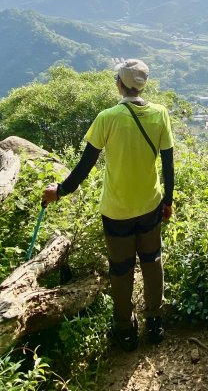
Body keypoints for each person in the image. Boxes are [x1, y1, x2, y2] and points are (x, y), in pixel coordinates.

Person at [42, 59, 175, 349]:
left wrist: (61, 190)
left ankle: (124, 330)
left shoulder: (108, 117)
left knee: (121, 268)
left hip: (117, 211)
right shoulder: (160, 114)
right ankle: (155, 323)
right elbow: (168, 162)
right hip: (151, 204)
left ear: (120, 83)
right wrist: (168, 200)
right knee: (152, 261)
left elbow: (86, 164)